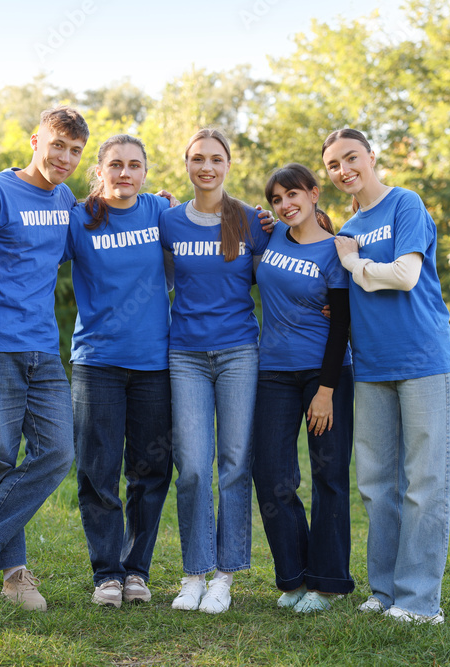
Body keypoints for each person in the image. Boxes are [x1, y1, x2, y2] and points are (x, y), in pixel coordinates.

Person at [0, 106, 89, 611]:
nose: (65, 157)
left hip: (43, 348)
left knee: (58, 453)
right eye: (57, 146)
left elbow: (90, 237)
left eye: (74, 151)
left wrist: (152, 205)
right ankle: (14, 576)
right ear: (35, 140)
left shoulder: (65, 198)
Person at [323, 128, 450, 625]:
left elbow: (406, 275)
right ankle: (384, 591)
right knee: (377, 483)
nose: (344, 170)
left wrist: (356, 262)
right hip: (372, 365)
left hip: (424, 360)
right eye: (334, 164)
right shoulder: (349, 225)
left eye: (351, 158)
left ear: (371, 156)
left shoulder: (405, 203)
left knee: (424, 482)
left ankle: (421, 602)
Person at [159, 128, 270, 614]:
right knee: (194, 468)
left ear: (229, 164)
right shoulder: (167, 222)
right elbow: (157, 278)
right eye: (198, 159)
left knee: (234, 464)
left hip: (239, 353)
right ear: (186, 164)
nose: (207, 167)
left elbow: (282, 272)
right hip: (184, 355)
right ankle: (193, 574)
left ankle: (225, 576)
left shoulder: (251, 221)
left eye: (216, 159)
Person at [63, 134, 174, 608]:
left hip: (154, 363)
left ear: (146, 172)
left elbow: (212, 228)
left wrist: (265, 219)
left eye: (134, 165)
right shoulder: (77, 218)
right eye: (115, 165)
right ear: (100, 171)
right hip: (97, 362)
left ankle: (136, 571)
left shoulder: (160, 213)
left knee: (150, 471)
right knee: (98, 471)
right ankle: (106, 573)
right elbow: (29, 259)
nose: (124, 173)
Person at [252, 163, 355, 613]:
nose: (285, 204)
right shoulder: (272, 235)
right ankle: (293, 577)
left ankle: (327, 582)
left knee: (328, 476)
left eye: (292, 194)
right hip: (272, 371)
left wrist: (327, 390)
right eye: (277, 199)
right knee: (271, 474)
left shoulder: (336, 250)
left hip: (324, 374)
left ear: (314, 194)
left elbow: (342, 324)